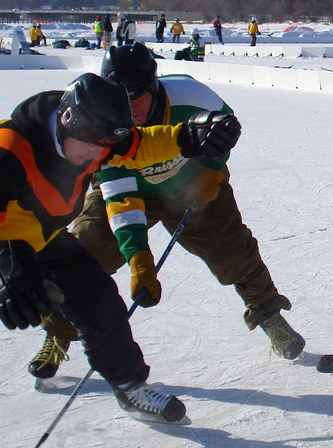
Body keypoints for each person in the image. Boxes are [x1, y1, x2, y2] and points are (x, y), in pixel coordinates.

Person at [26, 44, 304, 380]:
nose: (130, 106)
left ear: (154, 84)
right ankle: (58, 332)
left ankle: (268, 313)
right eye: (120, 96)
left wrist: (211, 170)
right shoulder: (101, 124)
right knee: (84, 252)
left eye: (137, 94)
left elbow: (225, 129)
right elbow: (121, 201)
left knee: (231, 248)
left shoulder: (190, 96)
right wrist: (140, 261)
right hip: (131, 189)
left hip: (191, 185)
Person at [1, 72, 240, 422]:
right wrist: (8, 266)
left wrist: (187, 135)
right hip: (9, 242)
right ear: (67, 123)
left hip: (47, 237)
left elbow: (138, 146)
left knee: (98, 299)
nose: (96, 158)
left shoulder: (96, 137)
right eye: (91, 148)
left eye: (104, 148)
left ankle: (130, 387)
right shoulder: (10, 149)